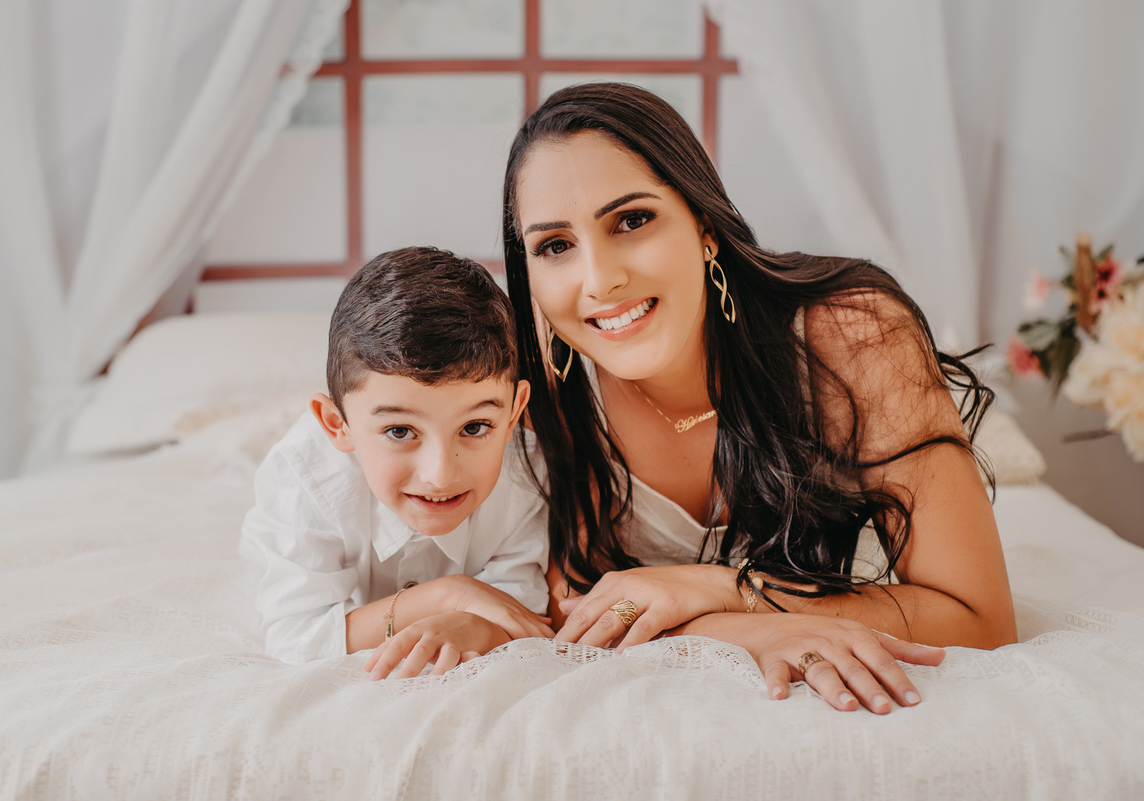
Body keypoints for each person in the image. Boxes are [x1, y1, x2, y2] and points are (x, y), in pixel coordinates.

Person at [500, 83, 1017, 714]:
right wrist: (741, 628)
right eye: (555, 246)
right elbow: (581, 615)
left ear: (704, 224)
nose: (600, 279)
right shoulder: (539, 390)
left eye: (632, 220)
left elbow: (980, 619)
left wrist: (726, 589)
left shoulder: (853, 337)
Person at [240, 247, 553, 679]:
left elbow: (519, 610)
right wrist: (446, 597)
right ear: (337, 424)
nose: (440, 474)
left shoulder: (526, 471)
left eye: (475, 427)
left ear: (515, 412)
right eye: (400, 431)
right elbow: (297, 637)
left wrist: (477, 625)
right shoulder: (303, 475)